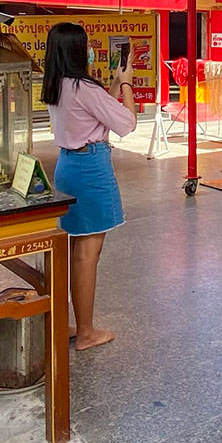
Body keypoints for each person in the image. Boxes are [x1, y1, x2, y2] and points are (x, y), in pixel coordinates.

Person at [43, 22, 137, 351]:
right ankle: (86, 332)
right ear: (79, 50)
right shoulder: (84, 87)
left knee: (75, 250)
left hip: (69, 165)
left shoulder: (57, 85)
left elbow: (94, 115)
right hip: (91, 169)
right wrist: (126, 85)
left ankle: (74, 322)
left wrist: (110, 86)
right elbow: (126, 123)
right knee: (87, 254)